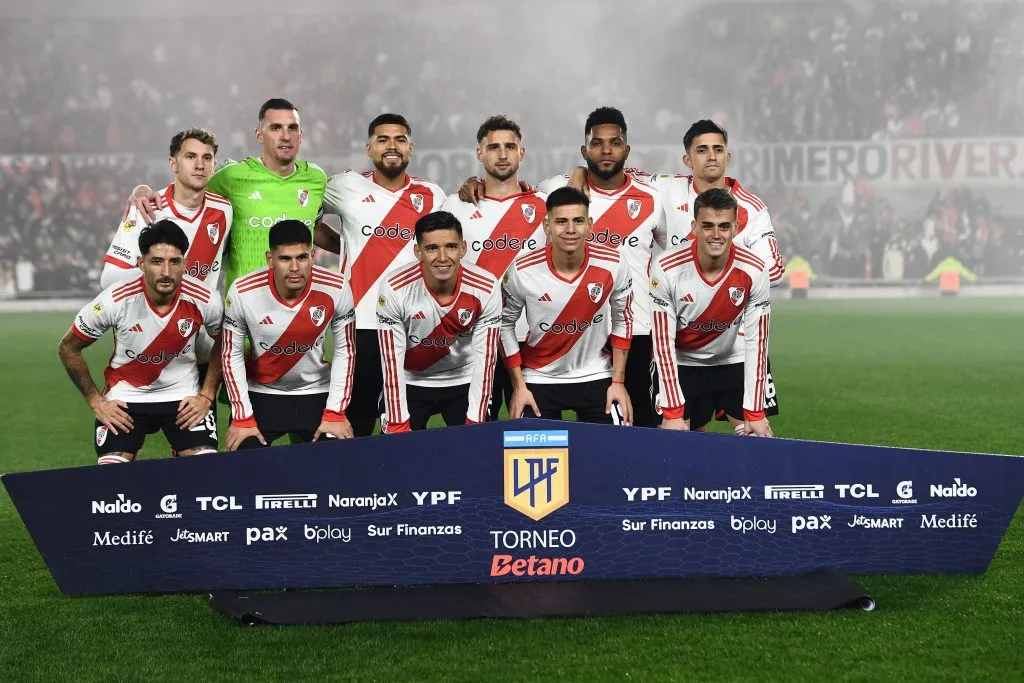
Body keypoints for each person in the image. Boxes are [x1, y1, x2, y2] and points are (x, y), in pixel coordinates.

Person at [568, 118, 783, 418]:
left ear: (728, 156)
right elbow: (612, 171)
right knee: (688, 428)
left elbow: (772, 271)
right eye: (702, 150)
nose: (711, 156)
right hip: (680, 343)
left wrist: (722, 263)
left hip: (736, 340)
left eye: (718, 149)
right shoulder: (666, 188)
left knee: (749, 427)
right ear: (687, 159)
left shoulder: (752, 208)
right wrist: (578, 173)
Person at [533, 107, 666, 428]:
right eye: (597, 143)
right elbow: (511, 196)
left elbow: (673, 250)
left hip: (637, 330)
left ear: (627, 149)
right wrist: (475, 184)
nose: (606, 150)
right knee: (578, 429)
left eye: (615, 143)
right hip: (577, 330)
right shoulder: (555, 191)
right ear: (584, 150)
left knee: (640, 424)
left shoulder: (651, 198)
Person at [319, 114, 447, 436]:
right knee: (358, 423)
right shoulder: (346, 186)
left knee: (404, 423)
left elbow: (448, 245)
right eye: (383, 139)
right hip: (359, 325)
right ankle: (358, 488)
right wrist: (344, 246)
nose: (392, 146)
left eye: (400, 139)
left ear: (411, 148)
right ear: (368, 148)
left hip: (412, 327)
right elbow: (306, 219)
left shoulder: (431, 194)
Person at [57, 221, 224, 464]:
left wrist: (206, 395)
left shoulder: (205, 298)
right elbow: (68, 347)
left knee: (207, 469)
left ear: (185, 264)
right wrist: (96, 402)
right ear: (141, 264)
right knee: (112, 473)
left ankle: (183, 450)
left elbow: (226, 341)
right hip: (126, 398)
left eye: (174, 262)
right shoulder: (116, 300)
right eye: (157, 262)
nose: (166, 272)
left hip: (183, 397)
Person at [126, 99, 334, 292]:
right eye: (276, 127)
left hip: (299, 308)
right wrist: (141, 189)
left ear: (301, 135)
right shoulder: (232, 177)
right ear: (259, 135)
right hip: (244, 311)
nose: (285, 136)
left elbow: (315, 228)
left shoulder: (316, 179)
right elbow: (186, 194)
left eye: (292, 128)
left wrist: (353, 247)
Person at [101, 127, 231, 382]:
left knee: (198, 416)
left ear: (214, 165)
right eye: (190, 156)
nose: (199, 164)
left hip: (198, 352)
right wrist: (165, 280)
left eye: (207, 158)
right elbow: (109, 279)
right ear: (173, 163)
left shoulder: (224, 210)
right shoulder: (147, 208)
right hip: (146, 346)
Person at [440, 115, 547, 419]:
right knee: (473, 434)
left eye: (510, 147)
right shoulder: (455, 206)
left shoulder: (544, 205)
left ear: (521, 153)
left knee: (531, 435)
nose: (502, 155)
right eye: (494, 147)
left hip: (530, 339)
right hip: (472, 340)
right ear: (479, 153)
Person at [500, 187, 634, 425]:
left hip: (596, 373)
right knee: (530, 456)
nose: (570, 229)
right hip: (538, 377)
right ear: (546, 226)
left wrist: (618, 382)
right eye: (561, 221)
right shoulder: (522, 270)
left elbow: (623, 319)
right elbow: (505, 325)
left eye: (578, 221)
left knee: (613, 455)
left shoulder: (614, 262)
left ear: (590, 224)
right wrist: (519, 386)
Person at [221, 220, 356, 450]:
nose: (295, 267)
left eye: (302, 257)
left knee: (338, 464)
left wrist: (335, 412)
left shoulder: (337, 287)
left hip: (316, 392)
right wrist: (242, 416)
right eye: (285, 259)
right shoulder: (243, 291)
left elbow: (347, 351)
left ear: (313, 256)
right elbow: (230, 354)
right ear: (270, 259)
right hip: (261, 393)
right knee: (243, 466)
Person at [649, 188, 772, 436]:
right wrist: (673, 413)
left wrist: (756, 412)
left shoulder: (755, 270)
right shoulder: (666, 267)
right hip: (683, 363)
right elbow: (663, 342)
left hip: (731, 359)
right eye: (708, 226)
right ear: (694, 227)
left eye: (724, 226)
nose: (716, 235)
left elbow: (757, 341)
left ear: (736, 228)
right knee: (677, 440)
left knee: (756, 438)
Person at [376, 211, 501, 432]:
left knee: (475, 451)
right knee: (399, 453)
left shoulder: (485, 286)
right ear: (418, 251)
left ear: (463, 248)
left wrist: (476, 421)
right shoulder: (395, 287)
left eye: (451, 247)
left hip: (463, 379)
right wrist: (397, 423)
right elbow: (390, 361)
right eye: (432, 248)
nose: (442, 257)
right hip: (410, 380)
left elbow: (486, 360)